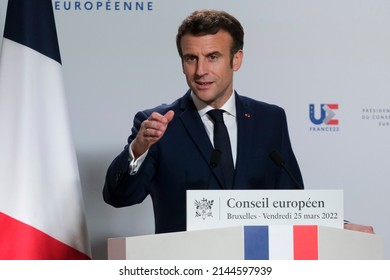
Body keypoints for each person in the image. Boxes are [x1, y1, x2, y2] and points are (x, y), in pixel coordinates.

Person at [103, 9, 373, 235]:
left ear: (236, 59)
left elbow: (291, 202)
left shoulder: (270, 120)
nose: (200, 71)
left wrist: (339, 227)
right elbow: (118, 197)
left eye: (212, 57)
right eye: (191, 58)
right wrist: (138, 149)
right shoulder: (158, 124)